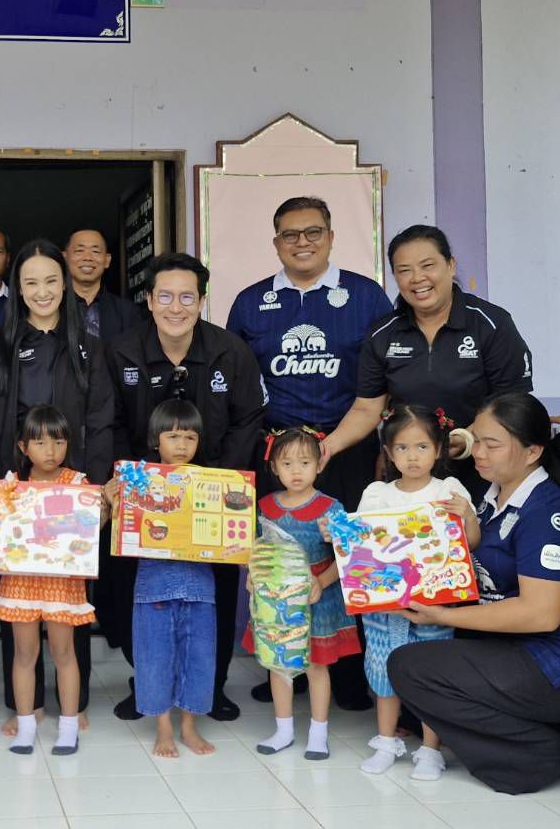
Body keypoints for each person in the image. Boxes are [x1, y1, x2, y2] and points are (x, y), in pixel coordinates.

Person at [389, 392, 560, 798]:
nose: (479, 453)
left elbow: (541, 615)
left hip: (558, 665)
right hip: (511, 651)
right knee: (406, 660)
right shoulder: (488, 502)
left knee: (411, 666)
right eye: (476, 440)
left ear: (532, 451)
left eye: (493, 444)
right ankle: (522, 739)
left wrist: (443, 616)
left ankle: (537, 752)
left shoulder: (545, 512)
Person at [227, 196, 391, 711]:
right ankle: (285, 666)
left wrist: (360, 445)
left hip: (347, 447)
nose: (302, 242)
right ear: (276, 242)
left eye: (313, 232)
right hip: (278, 454)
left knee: (343, 554)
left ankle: (344, 675)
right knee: (280, 555)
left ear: (331, 236)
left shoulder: (366, 297)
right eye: (290, 234)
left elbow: (386, 376)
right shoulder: (252, 302)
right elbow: (236, 381)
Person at [105, 252, 265, 721]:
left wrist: (215, 482)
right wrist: (126, 478)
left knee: (210, 594)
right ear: (150, 300)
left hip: (212, 496)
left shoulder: (230, 351)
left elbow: (249, 419)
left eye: (187, 297)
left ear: (201, 301)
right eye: (166, 296)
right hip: (143, 498)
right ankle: (148, 683)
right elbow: (107, 422)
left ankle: (209, 688)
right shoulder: (121, 352)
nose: (176, 307)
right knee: (140, 595)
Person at [0, 238, 114, 731]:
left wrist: (94, 487)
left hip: (71, 487)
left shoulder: (89, 347)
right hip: (16, 487)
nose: (42, 291)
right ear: (17, 287)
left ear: (65, 282)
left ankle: (77, 702)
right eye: (31, 282)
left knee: (71, 595)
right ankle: (22, 705)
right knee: (19, 594)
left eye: (51, 280)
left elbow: (101, 418)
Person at [324, 224, 534, 500]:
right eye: (404, 270)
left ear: (450, 265)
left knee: (475, 539)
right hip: (411, 476)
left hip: (483, 470)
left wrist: (467, 438)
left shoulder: (491, 324)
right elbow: (366, 408)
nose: (417, 278)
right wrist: (325, 447)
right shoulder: (383, 333)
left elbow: (511, 402)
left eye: (427, 265)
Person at [353, 404, 478, 780]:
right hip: (386, 608)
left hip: (435, 604)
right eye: (403, 448)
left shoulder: (449, 490)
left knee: (431, 675)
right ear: (389, 453)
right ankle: (386, 740)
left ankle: (429, 750)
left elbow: (470, 544)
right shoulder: (377, 493)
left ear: (439, 449)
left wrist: (467, 516)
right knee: (383, 672)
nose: (413, 456)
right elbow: (360, 548)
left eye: (422, 447)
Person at [0, 405, 96, 756]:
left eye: (59, 442)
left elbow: (93, 528)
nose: (50, 451)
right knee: (24, 653)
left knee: (64, 652)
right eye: (40, 442)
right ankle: (25, 724)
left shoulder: (78, 484)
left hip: (61, 581)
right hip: (21, 581)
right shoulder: (9, 488)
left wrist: (106, 505)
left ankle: (68, 726)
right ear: (23, 447)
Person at [251, 426, 361, 759]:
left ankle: (318, 732)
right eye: (287, 463)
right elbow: (256, 550)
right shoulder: (265, 506)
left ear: (319, 465)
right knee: (277, 663)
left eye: (304, 462)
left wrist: (322, 582)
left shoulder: (331, 507)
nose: (296, 471)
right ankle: (283, 730)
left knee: (316, 665)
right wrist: (252, 576)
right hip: (276, 599)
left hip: (317, 595)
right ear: (274, 468)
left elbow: (348, 556)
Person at [121, 399, 219, 758]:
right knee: (154, 657)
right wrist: (115, 498)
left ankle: (189, 727)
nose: (181, 445)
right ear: (155, 440)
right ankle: (163, 728)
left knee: (199, 657)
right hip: (152, 586)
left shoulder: (212, 484)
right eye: (173, 436)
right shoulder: (137, 480)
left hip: (199, 587)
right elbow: (124, 529)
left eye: (190, 437)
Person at [64, 228, 138, 340]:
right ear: (65, 258)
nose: (87, 257)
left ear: (107, 260)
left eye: (95, 251)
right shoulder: (52, 308)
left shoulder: (127, 312)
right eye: (79, 251)